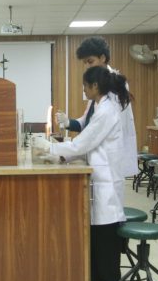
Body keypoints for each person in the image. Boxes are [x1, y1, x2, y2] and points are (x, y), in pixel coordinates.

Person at [33, 66, 129, 281]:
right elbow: (86, 141)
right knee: (97, 232)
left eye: (85, 86)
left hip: (106, 179)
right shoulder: (98, 105)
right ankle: (97, 279)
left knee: (106, 234)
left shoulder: (107, 110)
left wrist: (51, 148)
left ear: (95, 86)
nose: (83, 90)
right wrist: (59, 155)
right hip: (99, 174)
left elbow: (83, 143)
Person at [56, 36, 138, 187]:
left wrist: (56, 150)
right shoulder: (97, 83)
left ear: (103, 58)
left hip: (107, 159)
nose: (88, 66)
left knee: (107, 195)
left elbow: (97, 126)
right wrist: (68, 123)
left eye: (90, 61)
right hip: (98, 157)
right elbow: (88, 120)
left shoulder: (112, 87)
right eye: (85, 63)